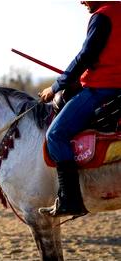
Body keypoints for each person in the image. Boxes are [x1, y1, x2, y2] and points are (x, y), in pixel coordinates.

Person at [38, 1, 121, 217]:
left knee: (55, 135)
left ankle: (70, 200)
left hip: (101, 90)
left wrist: (56, 86)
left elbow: (85, 56)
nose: (81, 1)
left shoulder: (103, 16)